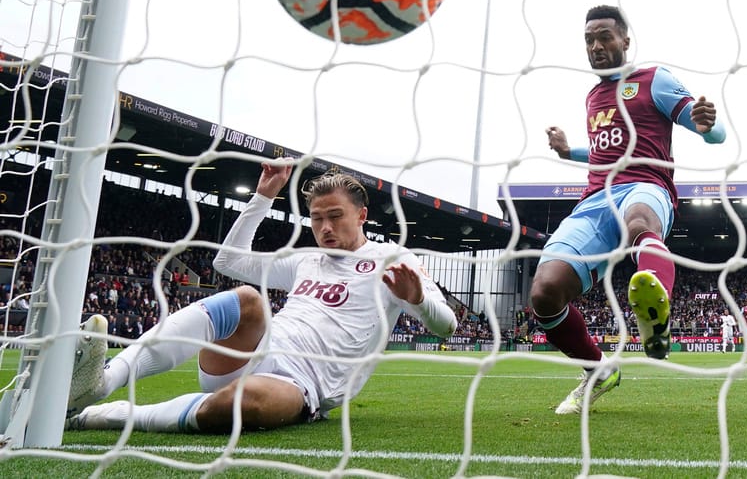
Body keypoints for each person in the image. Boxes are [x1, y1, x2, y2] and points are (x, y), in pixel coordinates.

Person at [65, 163, 457, 432]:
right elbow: (229, 260)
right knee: (246, 298)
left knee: (245, 404)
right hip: (253, 351)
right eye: (317, 218)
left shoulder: (393, 261)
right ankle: (102, 382)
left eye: (335, 216)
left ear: (362, 216)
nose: (325, 227)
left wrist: (418, 298)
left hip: (304, 384)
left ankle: (108, 415)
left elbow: (446, 326)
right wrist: (263, 197)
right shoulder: (306, 260)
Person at [530, 4, 726, 414]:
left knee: (639, 221)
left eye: (604, 36)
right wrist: (569, 151)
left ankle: (656, 319)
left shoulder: (653, 80)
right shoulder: (594, 96)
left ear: (625, 41)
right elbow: (605, 151)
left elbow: (708, 129)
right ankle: (598, 371)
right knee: (545, 291)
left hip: (646, 186)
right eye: (589, 39)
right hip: (594, 201)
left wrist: (710, 125)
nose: (596, 46)